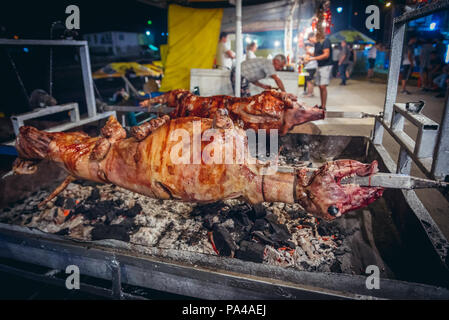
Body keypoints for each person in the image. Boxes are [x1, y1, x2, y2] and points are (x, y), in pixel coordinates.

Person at [305, 32, 333, 109]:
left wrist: (311, 58)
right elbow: (316, 55)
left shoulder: (325, 41)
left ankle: (324, 106)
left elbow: (326, 55)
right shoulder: (316, 44)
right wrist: (309, 54)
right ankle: (322, 105)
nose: (311, 42)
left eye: (311, 40)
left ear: (314, 37)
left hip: (326, 65)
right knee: (320, 86)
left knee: (323, 86)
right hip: (319, 66)